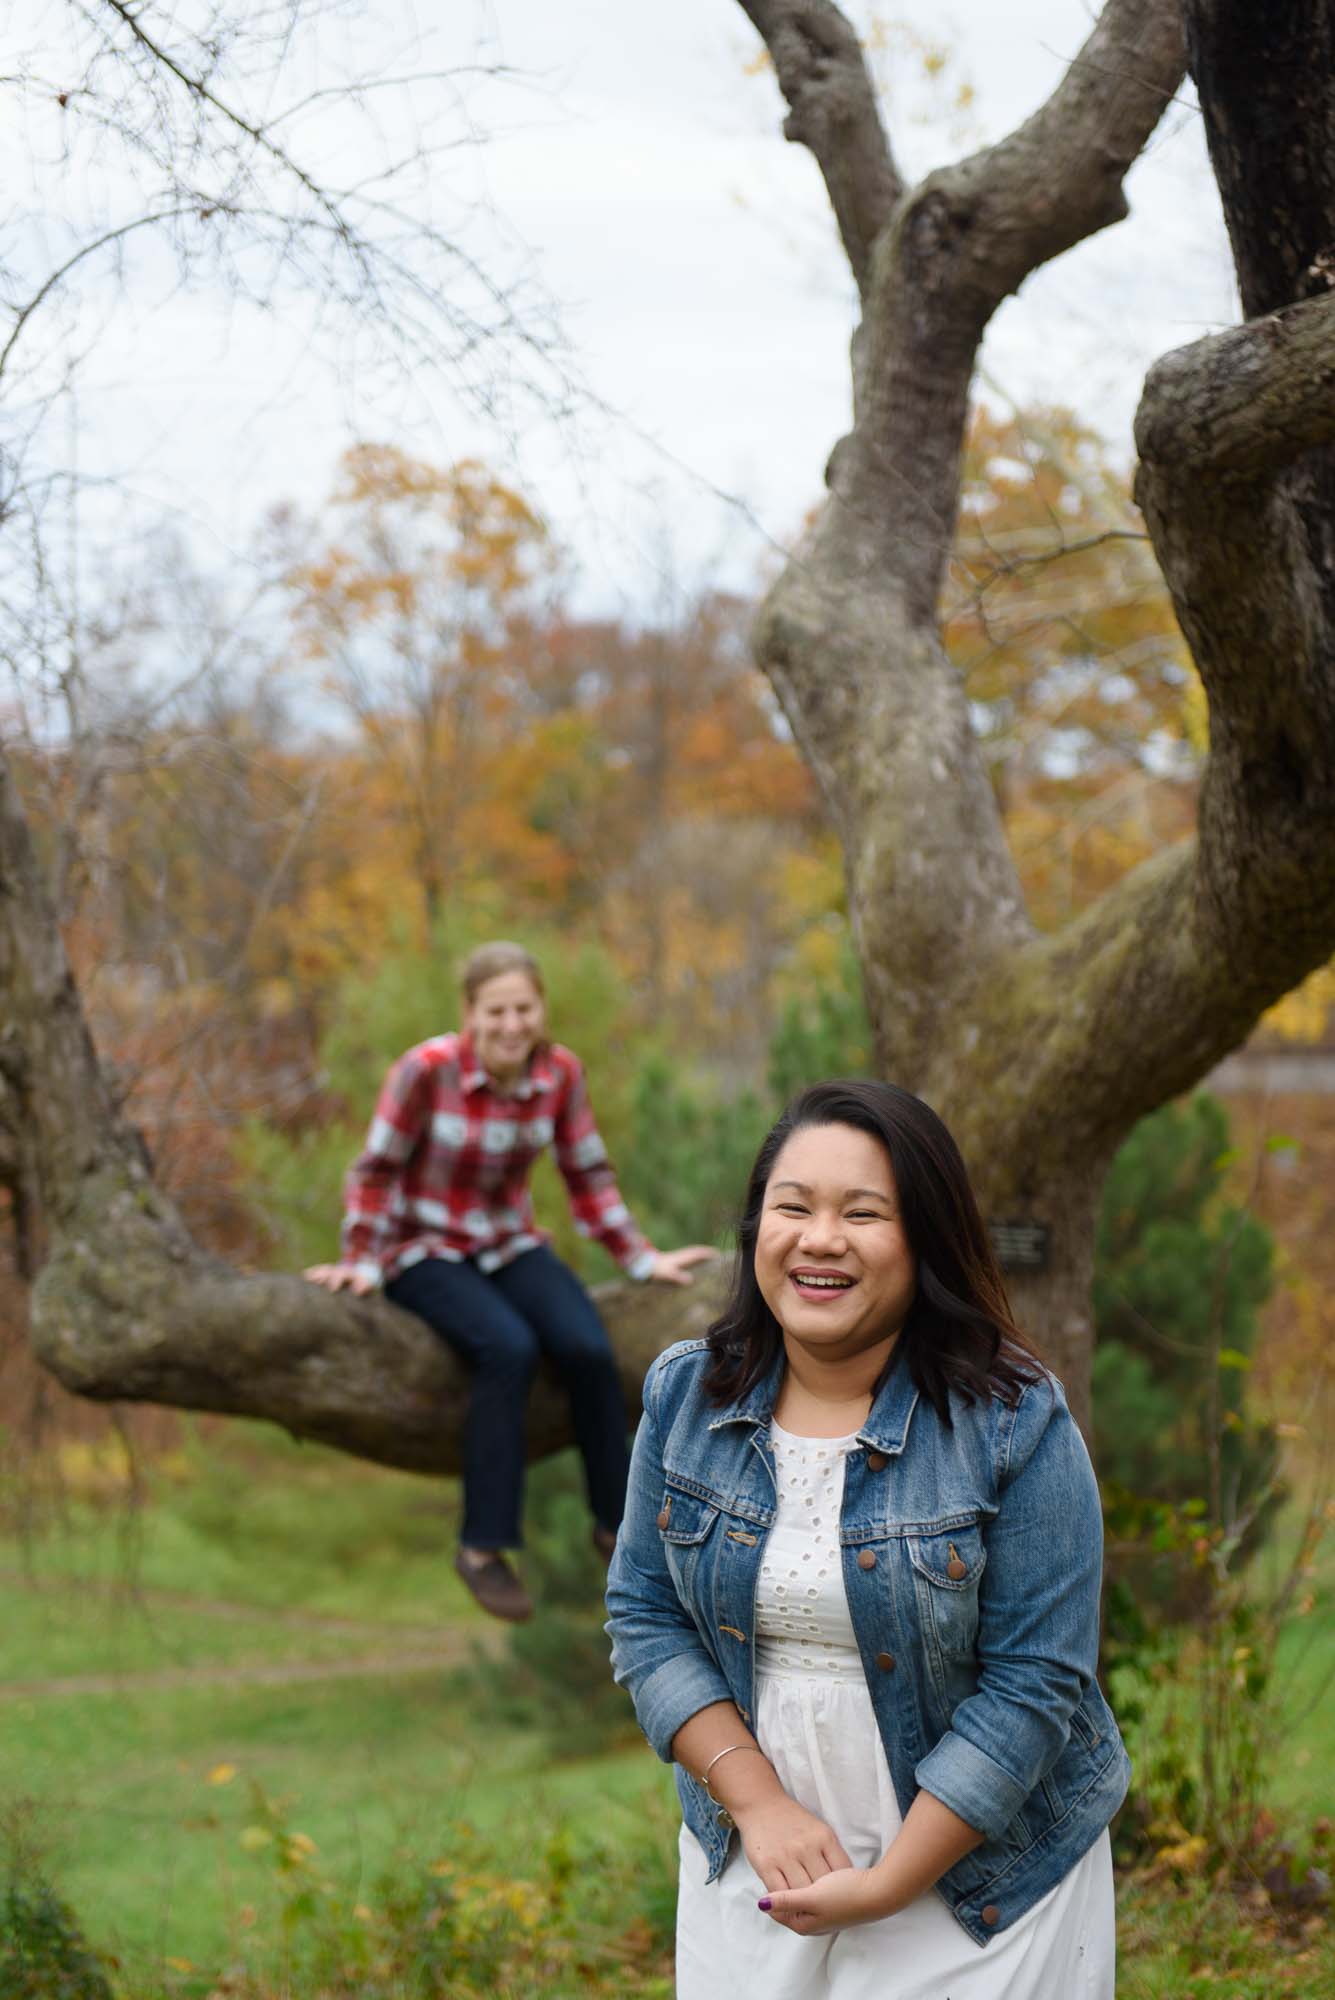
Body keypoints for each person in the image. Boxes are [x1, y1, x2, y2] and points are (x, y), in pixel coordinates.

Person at [605, 1078, 1126, 1999]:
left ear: (924, 1239)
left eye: (862, 1213)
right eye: (791, 1207)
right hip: (756, 1863)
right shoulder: (686, 1396)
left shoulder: (1012, 1422)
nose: (818, 1239)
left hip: (980, 1882)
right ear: (754, 1229)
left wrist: (891, 1882)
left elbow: (1037, 1680)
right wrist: (756, 1805)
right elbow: (644, 1616)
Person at [305, 939, 714, 1622]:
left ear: (540, 1009)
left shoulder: (558, 1074)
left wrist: (642, 1259)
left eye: (523, 1008)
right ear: (469, 1013)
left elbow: (586, 1174)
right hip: (421, 1249)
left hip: (507, 1242)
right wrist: (360, 1261)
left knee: (586, 1348)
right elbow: (374, 1171)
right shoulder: (424, 1072)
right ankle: (482, 1547)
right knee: (508, 1348)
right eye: (495, 1011)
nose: (511, 1025)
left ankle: (617, 1527)